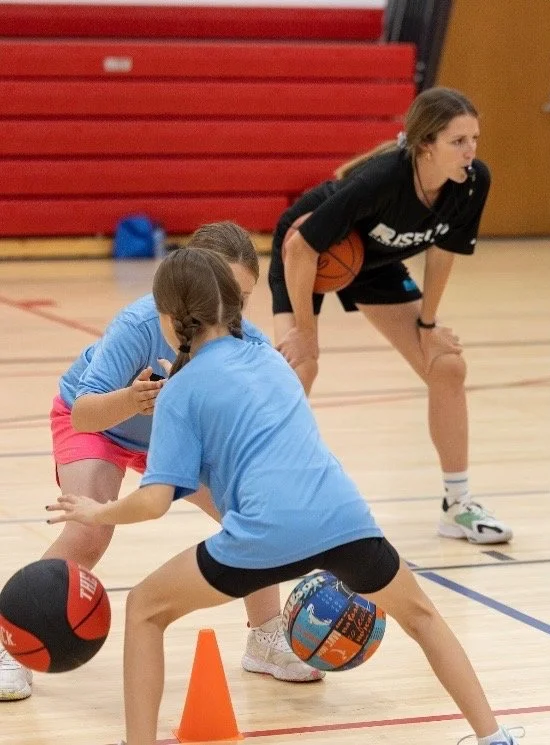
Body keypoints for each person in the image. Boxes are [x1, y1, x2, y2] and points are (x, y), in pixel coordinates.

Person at [47, 247, 521, 745]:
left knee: (145, 608)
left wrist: (99, 511)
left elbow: (154, 502)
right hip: (345, 517)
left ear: (169, 317)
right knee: (421, 616)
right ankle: (494, 735)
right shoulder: (268, 358)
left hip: (265, 533)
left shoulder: (179, 391)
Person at [0, 223, 319, 703]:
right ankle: (12, 643)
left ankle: (266, 637)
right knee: (89, 530)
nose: (230, 311)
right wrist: (133, 398)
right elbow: (86, 412)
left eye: (244, 298)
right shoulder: (139, 325)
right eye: (222, 294)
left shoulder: (243, 340)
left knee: (254, 513)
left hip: (169, 437)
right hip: (99, 423)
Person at [270, 86, 510, 545]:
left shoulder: (474, 181)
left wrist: (428, 324)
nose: (471, 151)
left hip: (375, 264)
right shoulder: (381, 179)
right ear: (426, 145)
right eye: (459, 141)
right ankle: (275, 503)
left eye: (474, 139)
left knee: (447, 366)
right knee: (299, 369)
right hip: (311, 255)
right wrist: (305, 333)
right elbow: (302, 247)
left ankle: (456, 506)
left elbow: (443, 252)